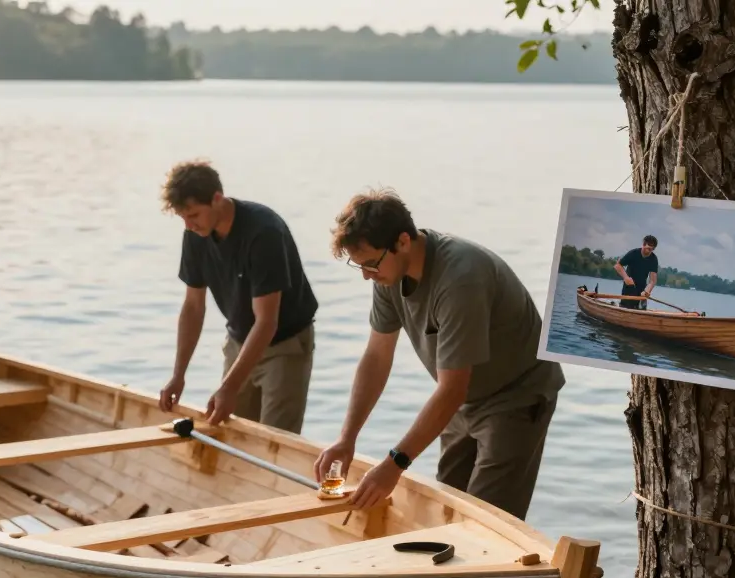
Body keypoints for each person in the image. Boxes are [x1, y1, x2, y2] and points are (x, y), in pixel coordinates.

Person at [313, 188, 564, 521]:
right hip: (463, 402)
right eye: (358, 266)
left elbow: (451, 388)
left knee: (485, 521)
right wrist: (347, 439)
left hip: (515, 397)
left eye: (370, 264)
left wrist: (393, 465)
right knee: (447, 510)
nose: (366, 276)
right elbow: (376, 357)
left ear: (403, 241)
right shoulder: (387, 276)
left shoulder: (460, 278)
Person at [157, 160, 319, 434]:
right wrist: (178, 375)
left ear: (217, 199)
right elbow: (194, 307)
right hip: (238, 341)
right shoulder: (195, 234)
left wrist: (229, 387)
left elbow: (267, 322)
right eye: (183, 217)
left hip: (284, 347)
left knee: (274, 442)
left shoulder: (263, 232)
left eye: (194, 215)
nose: (189, 225)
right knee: (230, 434)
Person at [614, 235, 659, 309]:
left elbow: (653, 281)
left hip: (642, 289)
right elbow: (617, 266)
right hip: (629, 286)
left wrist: (647, 291)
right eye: (648, 248)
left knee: (641, 309)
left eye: (651, 249)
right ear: (644, 244)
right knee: (626, 308)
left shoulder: (653, 259)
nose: (649, 251)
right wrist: (626, 278)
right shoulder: (633, 253)